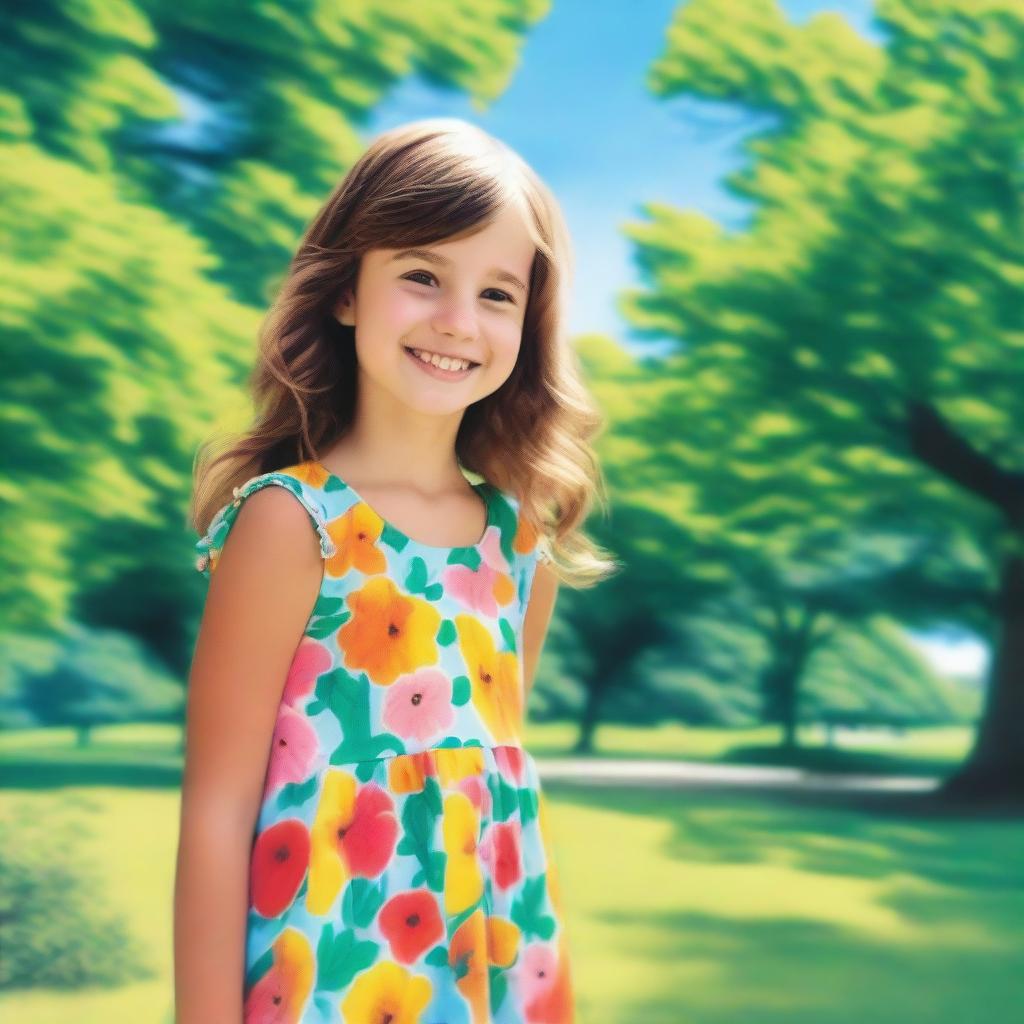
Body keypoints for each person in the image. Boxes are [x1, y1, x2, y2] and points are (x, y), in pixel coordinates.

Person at [174, 117, 620, 1024]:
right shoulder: (291, 523)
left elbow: (486, 785)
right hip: (332, 979)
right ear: (345, 291)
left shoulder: (516, 542)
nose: (458, 321)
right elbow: (217, 813)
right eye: (421, 275)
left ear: (527, 325)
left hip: (494, 972)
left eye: (498, 294)